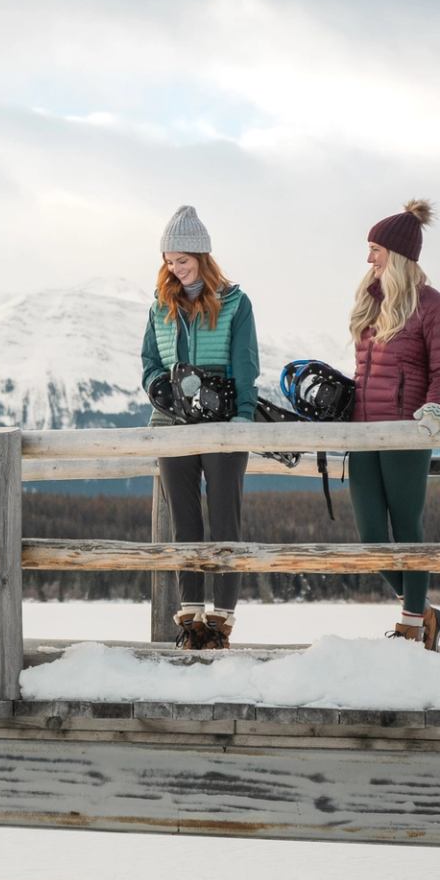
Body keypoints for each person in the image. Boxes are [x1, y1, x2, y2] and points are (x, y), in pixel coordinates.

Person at [140, 206, 260, 650]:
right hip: (172, 425)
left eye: (183, 260)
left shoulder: (234, 303)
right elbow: (150, 361)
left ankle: (222, 620)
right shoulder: (160, 306)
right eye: (169, 261)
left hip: (224, 425)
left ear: (203, 256)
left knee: (225, 518)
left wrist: (243, 418)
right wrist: (159, 387)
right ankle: (190, 619)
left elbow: (246, 362)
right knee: (184, 521)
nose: (175, 268)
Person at [346, 199, 440, 649]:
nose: (369, 257)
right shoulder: (369, 302)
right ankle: (427, 610)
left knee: (408, 528)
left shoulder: (434, 306)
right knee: (370, 537)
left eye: (375, 249)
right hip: (362, 433)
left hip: (405, 433)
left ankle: (412, 622)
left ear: (397, 255)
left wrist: (436, 409)